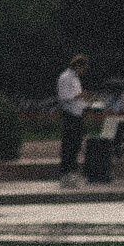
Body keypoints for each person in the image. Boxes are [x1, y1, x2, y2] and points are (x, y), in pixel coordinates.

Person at [56, 54, 90, 189]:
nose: (84, 72)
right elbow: (63, 97)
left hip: (77, 113)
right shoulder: (66, 77)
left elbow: (76, 97)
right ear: (77, 66)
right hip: (69, 114)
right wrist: (78, 95)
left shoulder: (75, 78)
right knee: (69, 144)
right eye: (83, 69)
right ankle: (66, 173)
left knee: (76, 144)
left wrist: (84, 100)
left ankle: (72, 171)